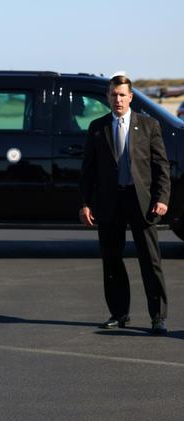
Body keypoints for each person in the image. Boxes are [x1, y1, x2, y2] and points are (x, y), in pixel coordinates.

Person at [79, 74, 170, 334]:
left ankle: (158, 316)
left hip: (141, 202)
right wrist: (85, 203)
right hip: (109, 202)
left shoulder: (149, 125)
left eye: (122, 95)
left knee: (150, 260)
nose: (117, 99)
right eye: (113, 95)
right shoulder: (98, 128)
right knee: (111, 259)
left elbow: (161, 167)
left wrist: (162, 198)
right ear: (107, 97)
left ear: (130, 97)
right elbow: (88, 170)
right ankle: (119, 312)